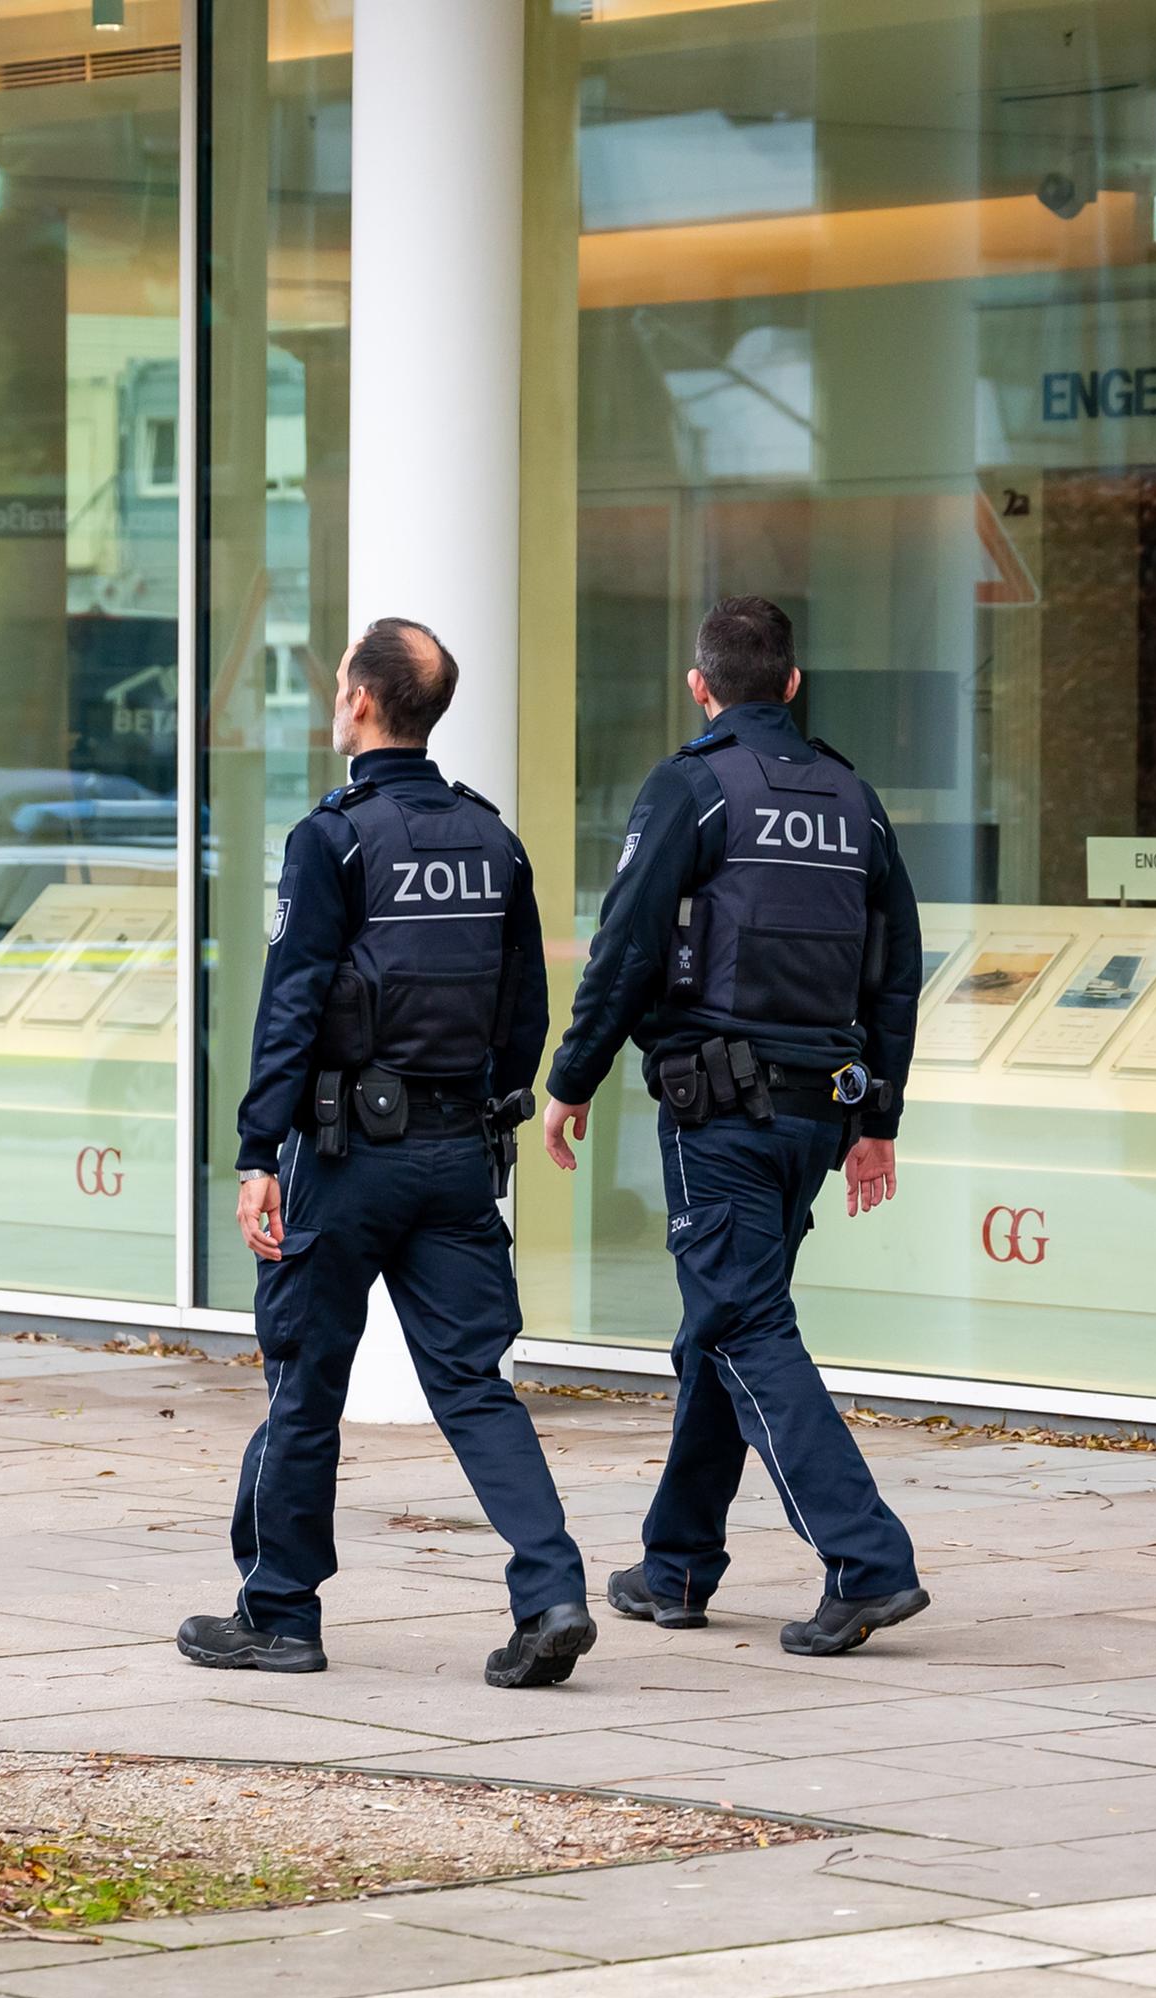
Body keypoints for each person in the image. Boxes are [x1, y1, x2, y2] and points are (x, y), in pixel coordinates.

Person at [180, 616, 599, 1690]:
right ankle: (551, 1591)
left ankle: (280, 1615)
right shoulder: (493, 839)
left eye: (335, 689)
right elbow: (524, 1006)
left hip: (346, 1156)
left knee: (305, 1383)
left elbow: (293, 1003)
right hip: (459, 1154)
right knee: (473, 1383)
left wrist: (254, 1150)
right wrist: (494, 1109)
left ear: (357, 700)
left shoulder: (334, 840)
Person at [538, 596, 929, 1657]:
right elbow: (895, 970)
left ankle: (867, 1563)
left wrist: (570, 1077)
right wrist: (879, 1114)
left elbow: (625, 946)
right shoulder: (855, 798)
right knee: (722, 1318)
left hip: (719, 1111)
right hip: (819, 1113)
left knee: (744, 1322)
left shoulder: (693, 786)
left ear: (699, 685)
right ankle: (675, 1566)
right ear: (794, 687)